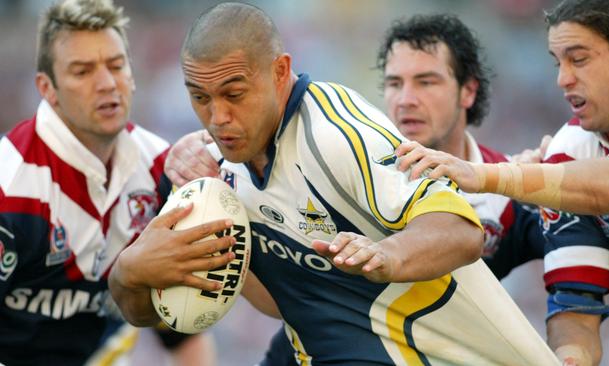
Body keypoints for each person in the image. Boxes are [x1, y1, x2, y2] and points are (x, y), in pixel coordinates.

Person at [109, 3, 561, 365]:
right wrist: (130, 277)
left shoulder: (335, 132)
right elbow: (180, 313)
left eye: (234, 94)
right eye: (200, 97)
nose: (217, 117)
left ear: (280, 73)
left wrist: (388, 253)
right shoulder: (207, 176)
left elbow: (462, 231)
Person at [398, 0, 609, 364]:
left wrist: (486, 176)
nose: (562, 79)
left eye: (578, 60)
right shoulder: (570, 152)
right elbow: (577, 302)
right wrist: (570, 357)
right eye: (557, 62)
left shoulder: (580, 173)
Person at [0, 1, 216, 365]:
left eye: (116, 66)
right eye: (82, 71)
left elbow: (181, 333)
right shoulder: (10, 187)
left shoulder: (163, 169)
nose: (106, 83)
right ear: (47, 88)